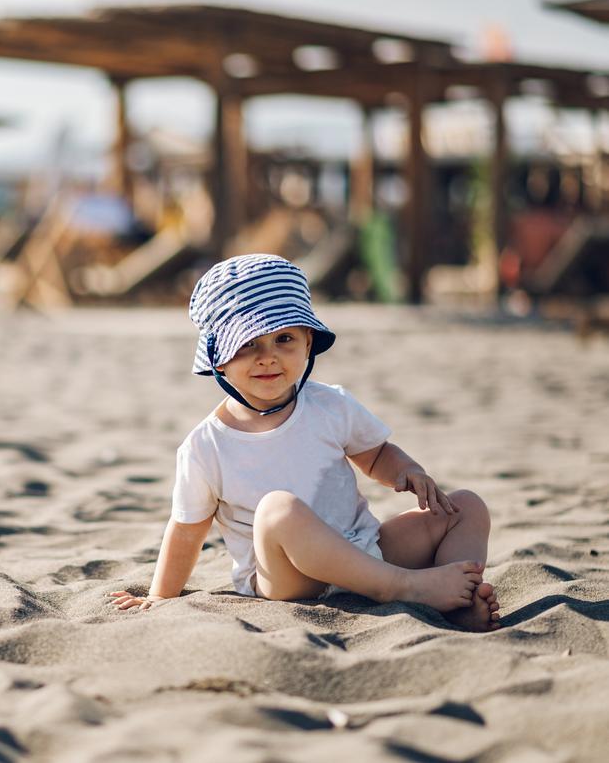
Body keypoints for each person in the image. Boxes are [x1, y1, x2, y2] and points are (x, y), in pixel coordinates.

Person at [110, 254, 500, 631]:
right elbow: (186, 531)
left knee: (466, 506)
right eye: (247, 344)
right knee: (278, 510)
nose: (268, 358)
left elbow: (376, 455)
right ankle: (402, 586)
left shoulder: (329, 406)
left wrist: (407, 470)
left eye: (284, 339)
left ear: (308, 342)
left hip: (364, 549)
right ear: (218, 358)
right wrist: (161, 596)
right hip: (287, 579)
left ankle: (461, 604)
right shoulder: (206, 446)